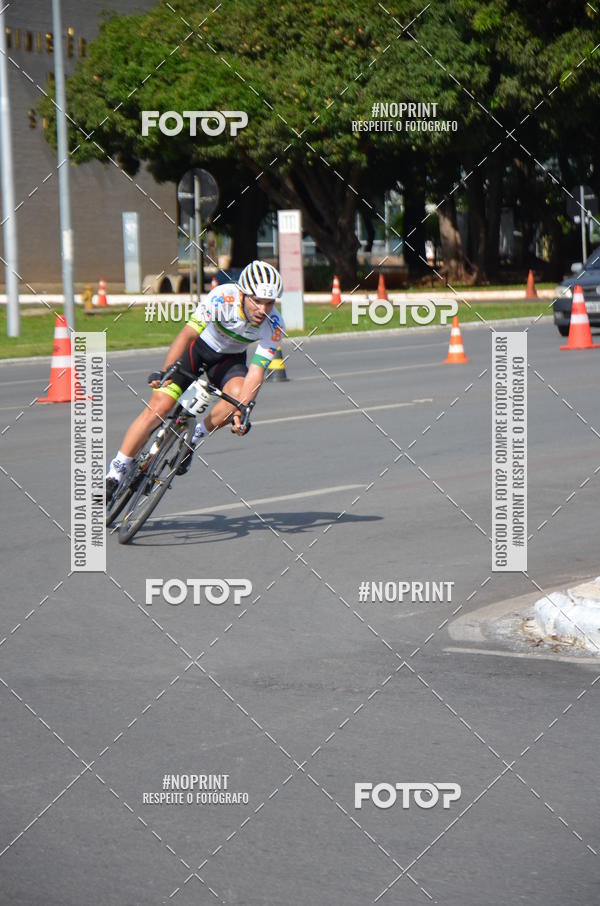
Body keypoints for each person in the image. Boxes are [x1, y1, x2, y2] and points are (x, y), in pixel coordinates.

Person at [105, 260, 285, 502]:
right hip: (198, 349)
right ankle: (116, 471)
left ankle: (193, 439)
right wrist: (165, 371)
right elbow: (188, 334)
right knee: (159, 408)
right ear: (242, 294)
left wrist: (244, 410)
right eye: (257, 300)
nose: (263, 309)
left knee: (237, 398)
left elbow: (256, 372)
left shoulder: (274, 325)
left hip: (229, 361)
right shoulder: (222, 298)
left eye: (270, 302)